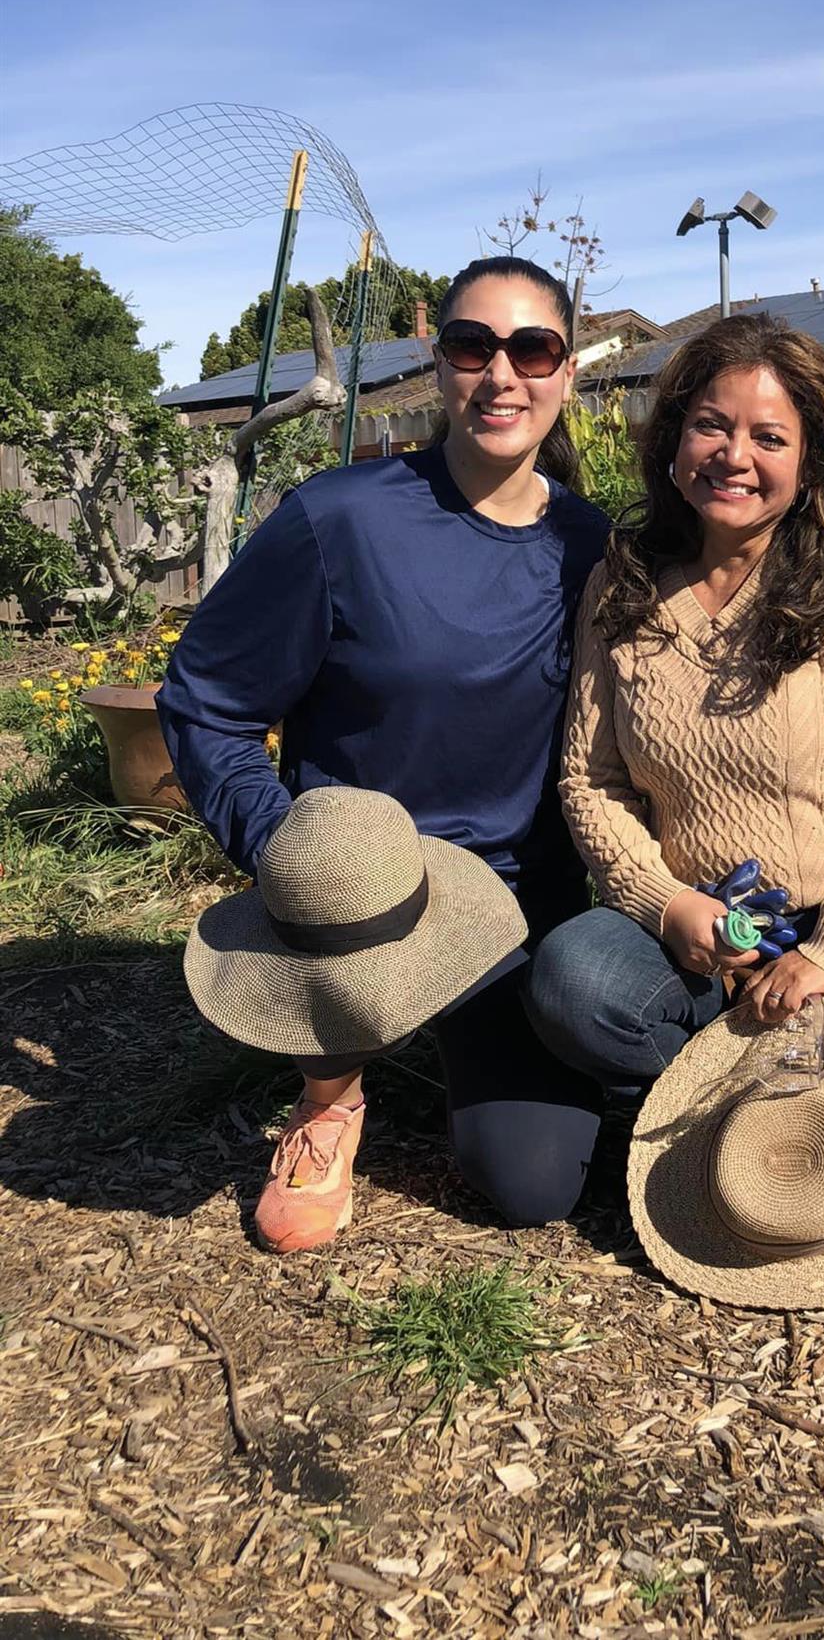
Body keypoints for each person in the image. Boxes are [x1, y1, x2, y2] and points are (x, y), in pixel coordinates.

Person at [157, 255, 610, 1251]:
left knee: (536, 1184)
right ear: (437, 365)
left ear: (567, 372)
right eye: (470, 345)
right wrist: (291, 853)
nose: (502, 374)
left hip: (506, 903)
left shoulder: (595, 548)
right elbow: (205, 701)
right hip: (358, 903)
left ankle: (466, 1036)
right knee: (350, 931)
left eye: (532, 348)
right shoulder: (341, 520)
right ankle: (332, 1095)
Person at [522, 311, 824, 1214]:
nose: (733, 456)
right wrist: (665, 903)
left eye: (769, 437)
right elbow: (590, 780)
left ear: (808, 461)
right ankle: (727, 1123)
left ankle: (726, 1124)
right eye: (712, 425)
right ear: (677, 436)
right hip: (688, 936)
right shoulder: (624, 582)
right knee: (574, 978)